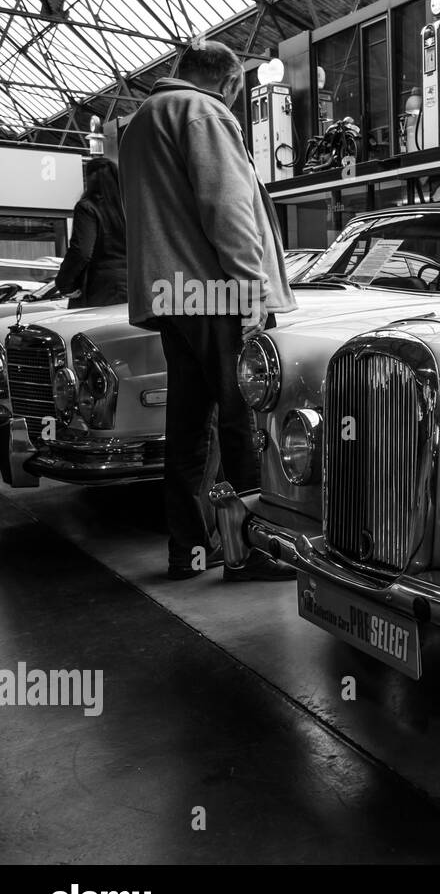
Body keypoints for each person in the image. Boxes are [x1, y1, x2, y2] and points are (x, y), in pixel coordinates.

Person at [119, 39, 297, 582]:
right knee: (245, 420)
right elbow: (227, 207)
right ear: (229, 84)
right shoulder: (203, 112)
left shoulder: (143, 121)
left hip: (175, 296)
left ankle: (189, 549)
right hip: (218, 293)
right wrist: (251, 292)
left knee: (189, 428)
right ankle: (251, 553)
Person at [55, 157, 128, 307]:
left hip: (100, 289)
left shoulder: (87, 207)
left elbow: (81, 251)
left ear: (89, 179)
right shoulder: (131, 208)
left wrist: (65, 284)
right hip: (135, 286)